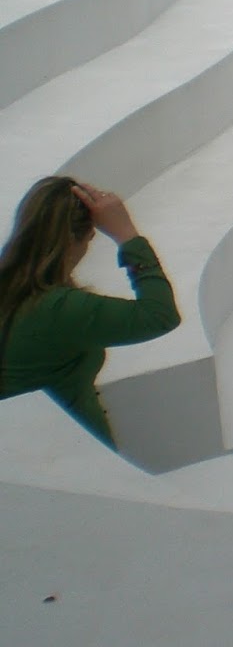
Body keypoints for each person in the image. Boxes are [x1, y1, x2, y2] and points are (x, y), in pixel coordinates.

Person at [0, 178, 181, 448]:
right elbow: (160, 315)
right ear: (79, 239)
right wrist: (127, 234)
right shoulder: (61, 309)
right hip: (64, 445)